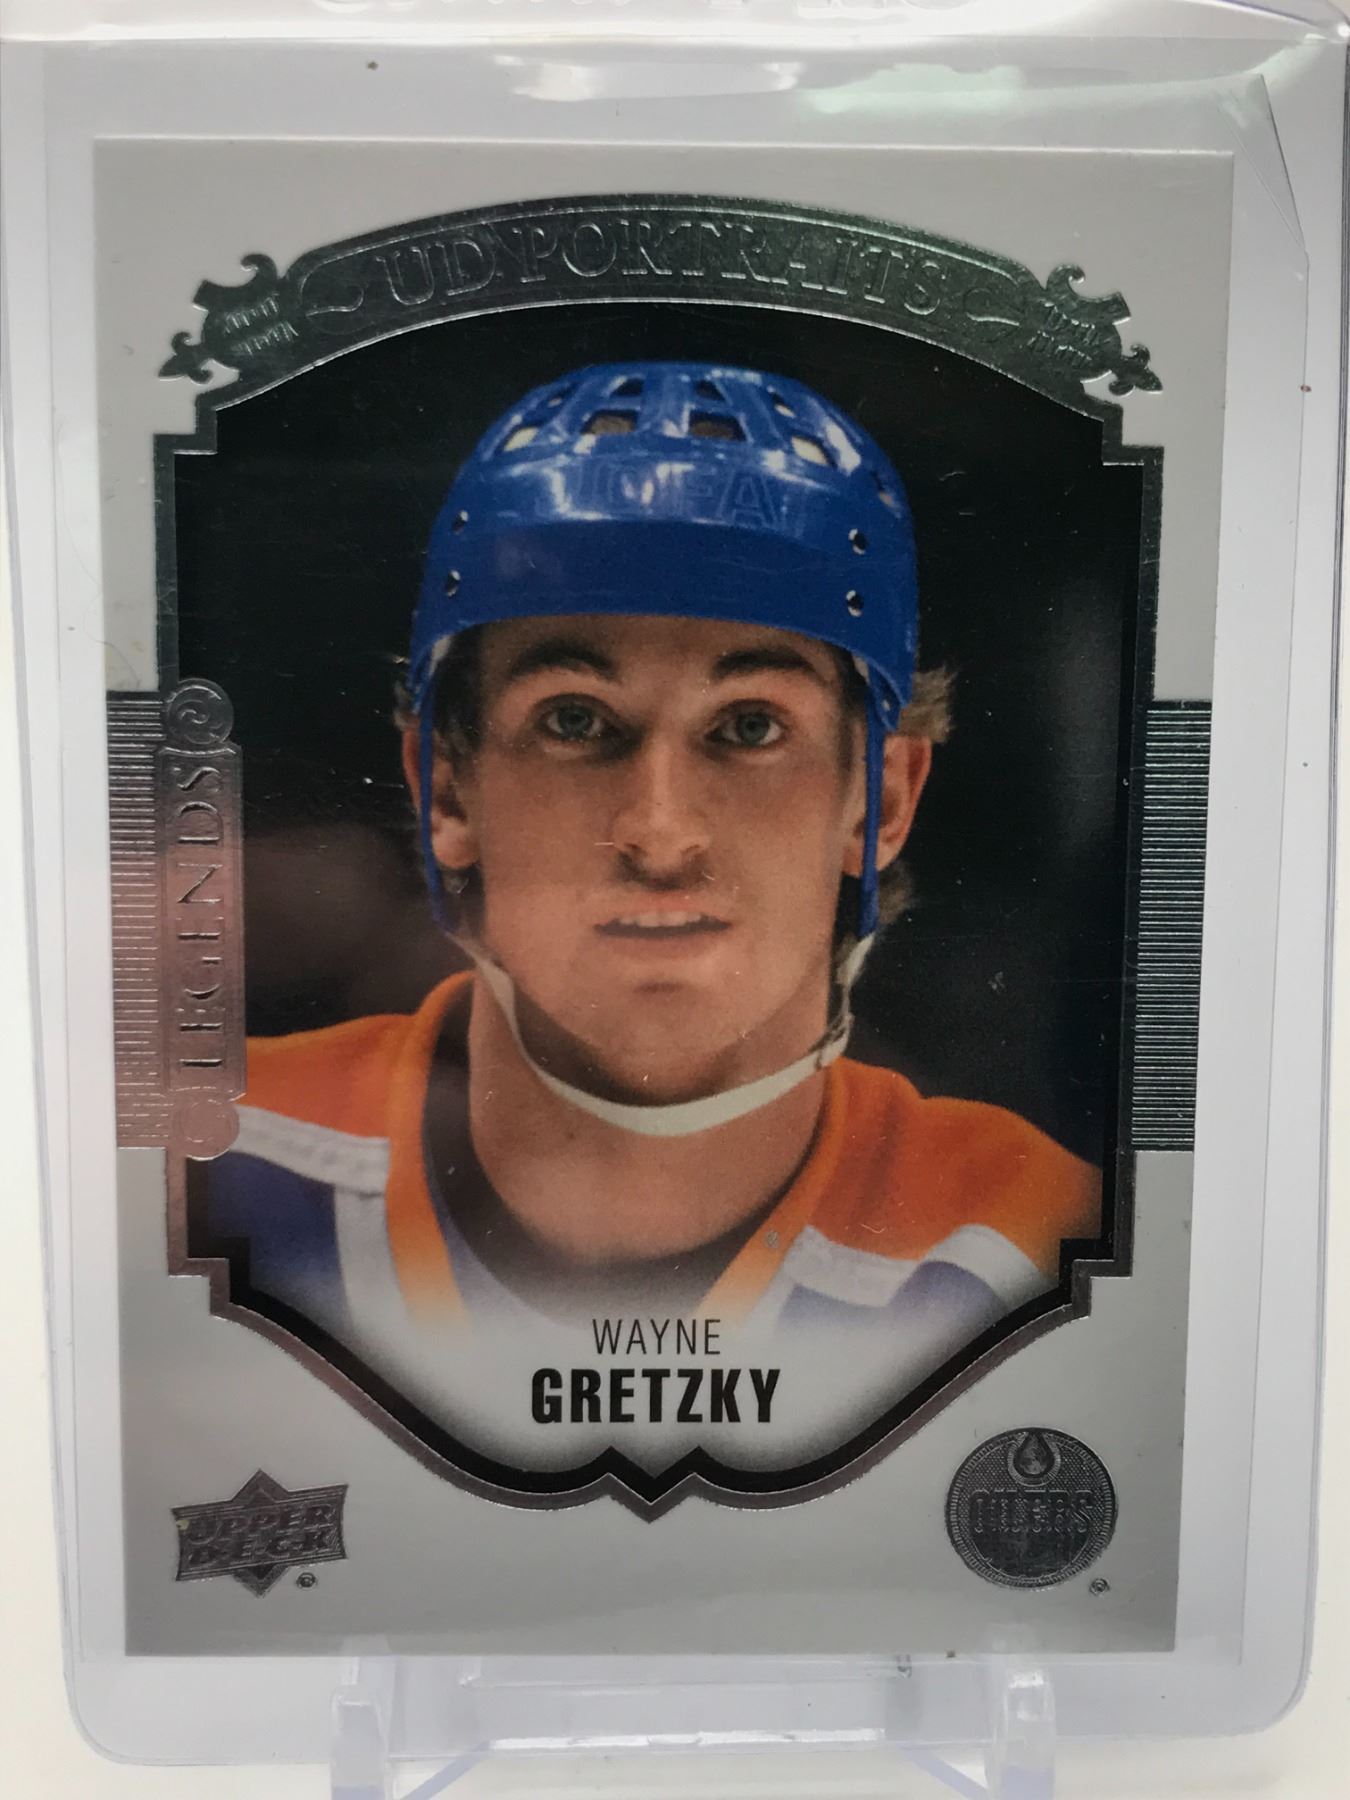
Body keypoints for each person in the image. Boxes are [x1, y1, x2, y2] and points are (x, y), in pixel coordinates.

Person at [195, 361, 1100, 1384]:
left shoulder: (1040, 1239)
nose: (661, 835)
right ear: (444, 788)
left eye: (750, 726)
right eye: (574, 720)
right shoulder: (195, 1170)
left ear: (881, 801)